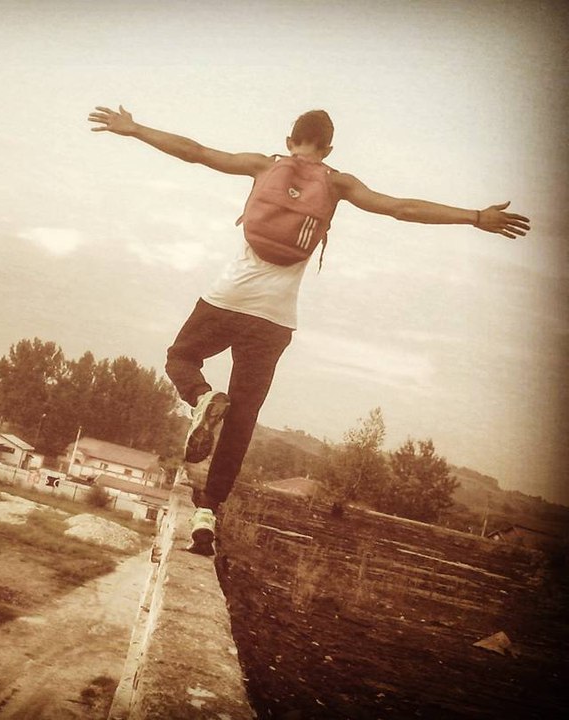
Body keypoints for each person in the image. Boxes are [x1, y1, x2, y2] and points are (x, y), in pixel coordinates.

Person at [87, 104, 530, 554]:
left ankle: (200, 395)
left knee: (180, 358)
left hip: (227, 298)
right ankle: (208, 514)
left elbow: (195, 152)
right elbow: (401, 208)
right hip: (275, 319)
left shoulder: (263, 165)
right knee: (242, 420)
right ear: (330, 148)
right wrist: (476, 216)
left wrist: (134, 128)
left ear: (288, 140)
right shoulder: (339, 184)